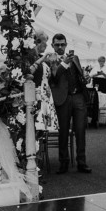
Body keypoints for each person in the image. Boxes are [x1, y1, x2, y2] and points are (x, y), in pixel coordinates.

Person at [46, 34, 91, 174]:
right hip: (62, 99)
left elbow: (79, 77)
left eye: (62, 44)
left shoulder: (75, 58)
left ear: (66, 45)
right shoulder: (49, 60)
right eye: (57, 44)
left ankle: (82, 162)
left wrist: (85, 78)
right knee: (63, 132)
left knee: (80, 131)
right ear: (52, 45)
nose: (60, 47)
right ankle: (63, 163)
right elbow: (54, 78)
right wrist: (64, 63)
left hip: (78, 97)